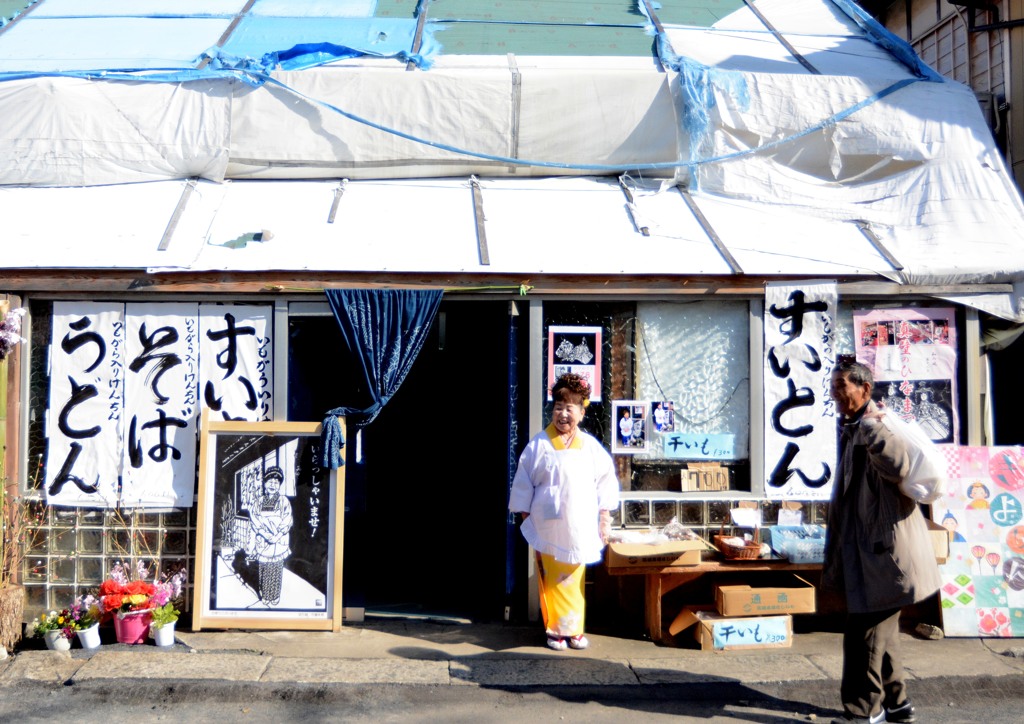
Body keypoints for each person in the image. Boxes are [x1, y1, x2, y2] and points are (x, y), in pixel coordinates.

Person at [823, 360, 941, 724]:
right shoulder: (854, 426)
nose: (836, 393)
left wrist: (873, 431)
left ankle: (863, 713)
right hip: (871, 549)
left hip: (886, 553)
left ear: (865, 389)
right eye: (834, 385)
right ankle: (898, 705)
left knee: (863, 637)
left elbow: (897, 468)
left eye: (843, 385)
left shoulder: (875, 426)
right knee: (882, 636)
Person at [509, 373, 619, 651]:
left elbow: (606, 480)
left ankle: (575, 630)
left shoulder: (591, 447)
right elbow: (523, 480)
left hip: (579, 523)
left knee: (574, 577)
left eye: (569, 408)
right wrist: (525, 515)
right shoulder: (539, 444)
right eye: (558, 408)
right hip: (547, 523)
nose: (562, 414)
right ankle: (555, 630)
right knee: (551, 577)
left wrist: (604, 517)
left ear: (581, 413)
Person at [249, 465, 293, 606]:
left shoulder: (284, 501)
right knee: (264, 569)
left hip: (278, 541)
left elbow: (287, 520)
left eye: (276, 482)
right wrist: (265, 534)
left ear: (279, 485)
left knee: (276, 569)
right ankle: (265, 595)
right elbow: (254, 520)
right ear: (265, 483)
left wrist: (277, 535)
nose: (273, 485)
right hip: (263, 540)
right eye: (270, 482)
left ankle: (274, 597)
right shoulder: (258, 502)